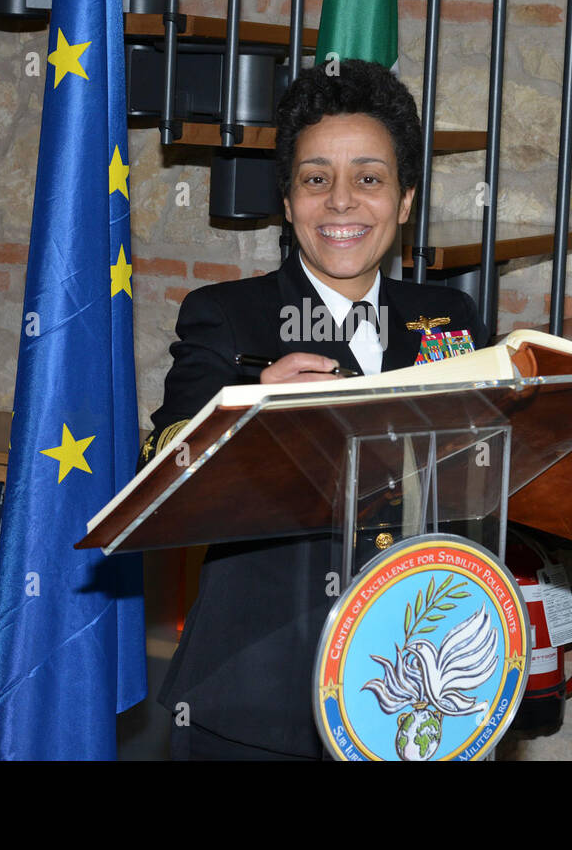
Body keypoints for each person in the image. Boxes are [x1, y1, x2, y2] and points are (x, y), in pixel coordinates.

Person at [144, 59, 487, 759]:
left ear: (405, 199)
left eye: (369, 177)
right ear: (288, 198)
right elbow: (163, 472)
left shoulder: (447, 317)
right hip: (259, 696)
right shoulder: (227, 316)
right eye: (315, 178)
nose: (340, 202)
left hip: (415, 691)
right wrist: (251, 413)